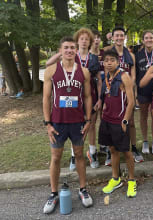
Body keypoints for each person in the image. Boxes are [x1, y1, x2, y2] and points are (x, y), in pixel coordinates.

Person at [42, 36, 93, 214]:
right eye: (66, 48)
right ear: (61, 50)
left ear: (76, 50)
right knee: (56, 157)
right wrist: (48, 123)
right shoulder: (51, 70)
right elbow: (46, 98)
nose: (70, 50)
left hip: (77, 121)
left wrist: (88, 120)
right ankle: (53, 193)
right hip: (58, 121)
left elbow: (87, 97)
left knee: (79, 154)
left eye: (72, 47)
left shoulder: (84, 72)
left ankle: (83, 189)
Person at [46, 28, 102, 170]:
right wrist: (63, 50)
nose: (84, 41)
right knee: (74, 126)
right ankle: (74, 155)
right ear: (77, 41)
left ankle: (92, 152)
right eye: (81, 39)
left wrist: (100, 98)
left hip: (90, 95)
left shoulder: (94, 58)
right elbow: (48, 63)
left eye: (87, 39)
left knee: (90, 126)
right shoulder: (70, 55)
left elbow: (99, 80)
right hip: (72, 98)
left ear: (90, 42)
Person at [99, 49, 136, 197]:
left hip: (120, 121)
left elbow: (131, 101)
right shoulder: (106, 77)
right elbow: (106, 96)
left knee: (126, 152)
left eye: (112, 60)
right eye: (106, 60)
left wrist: (125, 120)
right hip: (107, 119)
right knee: (113, 150)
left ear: (117, 61)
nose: (109, 63)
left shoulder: (124, 76)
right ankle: (116, 179)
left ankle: (132, 181)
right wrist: (100, 105)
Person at [107, 26, 144, 163]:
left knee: (131, 121)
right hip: (113, 92)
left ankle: (133, 147)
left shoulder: (131, 55)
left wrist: (127, 85)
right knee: (111, 121)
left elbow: (133, 75)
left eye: (121, 35)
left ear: (124, 37)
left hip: (127, 92)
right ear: (112, 37)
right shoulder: (109, 53)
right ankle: (111, 151)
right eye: (116, 35)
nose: (119, 38)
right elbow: (106, 73)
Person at [135, 30, 153, 154]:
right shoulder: (138, 55)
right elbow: (135, 75)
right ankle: (145, 141)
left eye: (151, 37)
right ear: (143, 40)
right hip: (142, 90)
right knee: (143, 116)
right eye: (146, 38)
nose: (149, 40)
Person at [90, 30, 111, 166]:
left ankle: (106, 146)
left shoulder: (105, 52)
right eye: (94, 38)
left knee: (106, 120)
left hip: (107, 90)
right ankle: (92, 151)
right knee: (92, 122)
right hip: (91, 92)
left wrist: (111, 39)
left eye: (98, 38)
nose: (97, 40)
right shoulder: (86, 55)